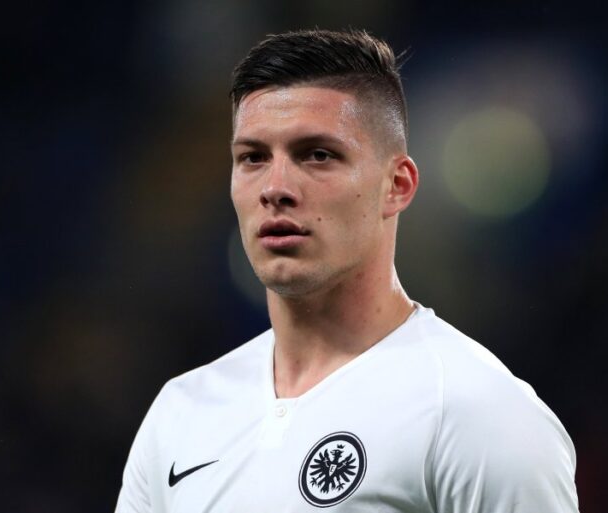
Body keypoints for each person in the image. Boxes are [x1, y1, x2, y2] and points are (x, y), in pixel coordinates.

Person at [115, 29, 579, 512]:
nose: (275, 188)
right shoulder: (181, 413)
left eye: (317, 155)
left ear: (396, 185)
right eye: (253, 158)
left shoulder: (476, 413)